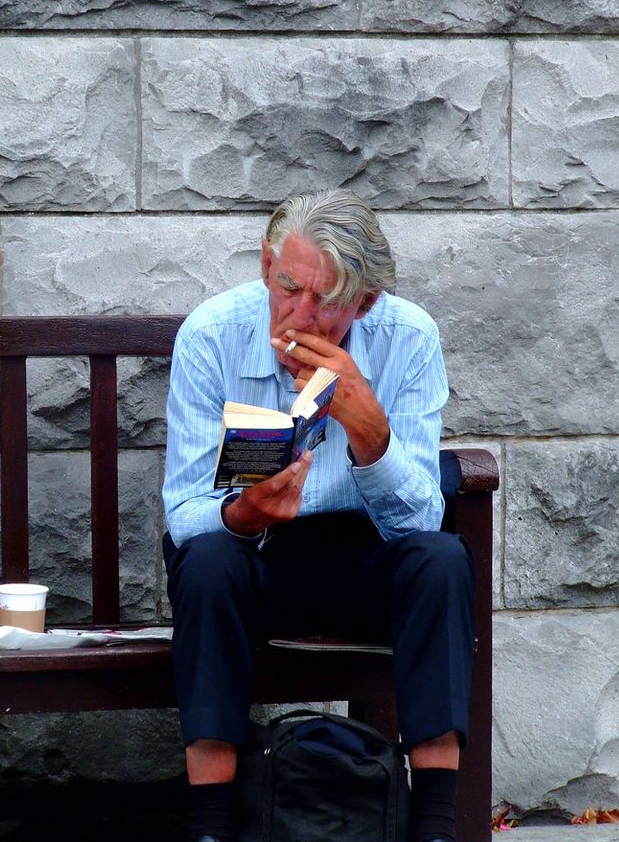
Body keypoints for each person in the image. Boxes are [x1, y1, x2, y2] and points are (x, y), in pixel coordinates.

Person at [162, 188, 475, 842]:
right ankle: (211, 827)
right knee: (208, 564)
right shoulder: (212, 335)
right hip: (257, 558)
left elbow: (421, 518)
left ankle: (437, 825)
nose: (297, 316)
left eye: (326, 301)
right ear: (265, 263)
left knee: (443, 561)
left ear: (365, 301)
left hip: (364, 557)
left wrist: (372, 439)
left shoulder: (407, 338)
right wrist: (244, 512)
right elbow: (184, 513)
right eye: (287, 286)